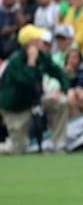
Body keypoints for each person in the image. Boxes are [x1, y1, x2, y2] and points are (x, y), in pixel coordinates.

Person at [0, 25, 69, 154]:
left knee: (61, 102)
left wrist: (63, 90)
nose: (43, 42)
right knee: (18, 149)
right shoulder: (15, 61)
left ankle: (59, 143)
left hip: (36, 99)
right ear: (31, 43)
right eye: (39, 40)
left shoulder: (42, 56)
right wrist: (31, 63)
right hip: (16, 107)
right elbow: (26, 82)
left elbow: (58, 73)